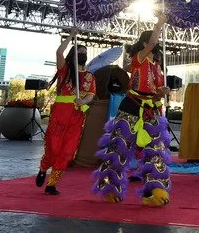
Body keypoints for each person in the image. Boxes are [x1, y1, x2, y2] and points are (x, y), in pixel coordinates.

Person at [92, 13, 173, 206]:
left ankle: (155, 191)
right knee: (119, 148)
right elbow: (153, 43)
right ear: (145, 44)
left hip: (150, 110)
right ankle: (109, 187)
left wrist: (162, 92)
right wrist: (160, 23)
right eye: (152, 43)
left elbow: (155, 94)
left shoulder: (157, 68)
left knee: (156, 151)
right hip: (131, 106)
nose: (155, 47)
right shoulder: (140, 58)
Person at [36, 27, 96, 195]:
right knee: (54, 148)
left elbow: (91, 96)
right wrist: (71, 35)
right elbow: (59, 52)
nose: (83, 53)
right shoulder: (65, 69)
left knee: (68, 151)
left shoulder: (91, 76)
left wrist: (82, 100)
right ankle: (43, 167)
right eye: (80, 51)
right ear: (74, 54)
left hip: (77, 115)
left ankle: (52, 184)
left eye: (85, 51)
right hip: (60, 114)